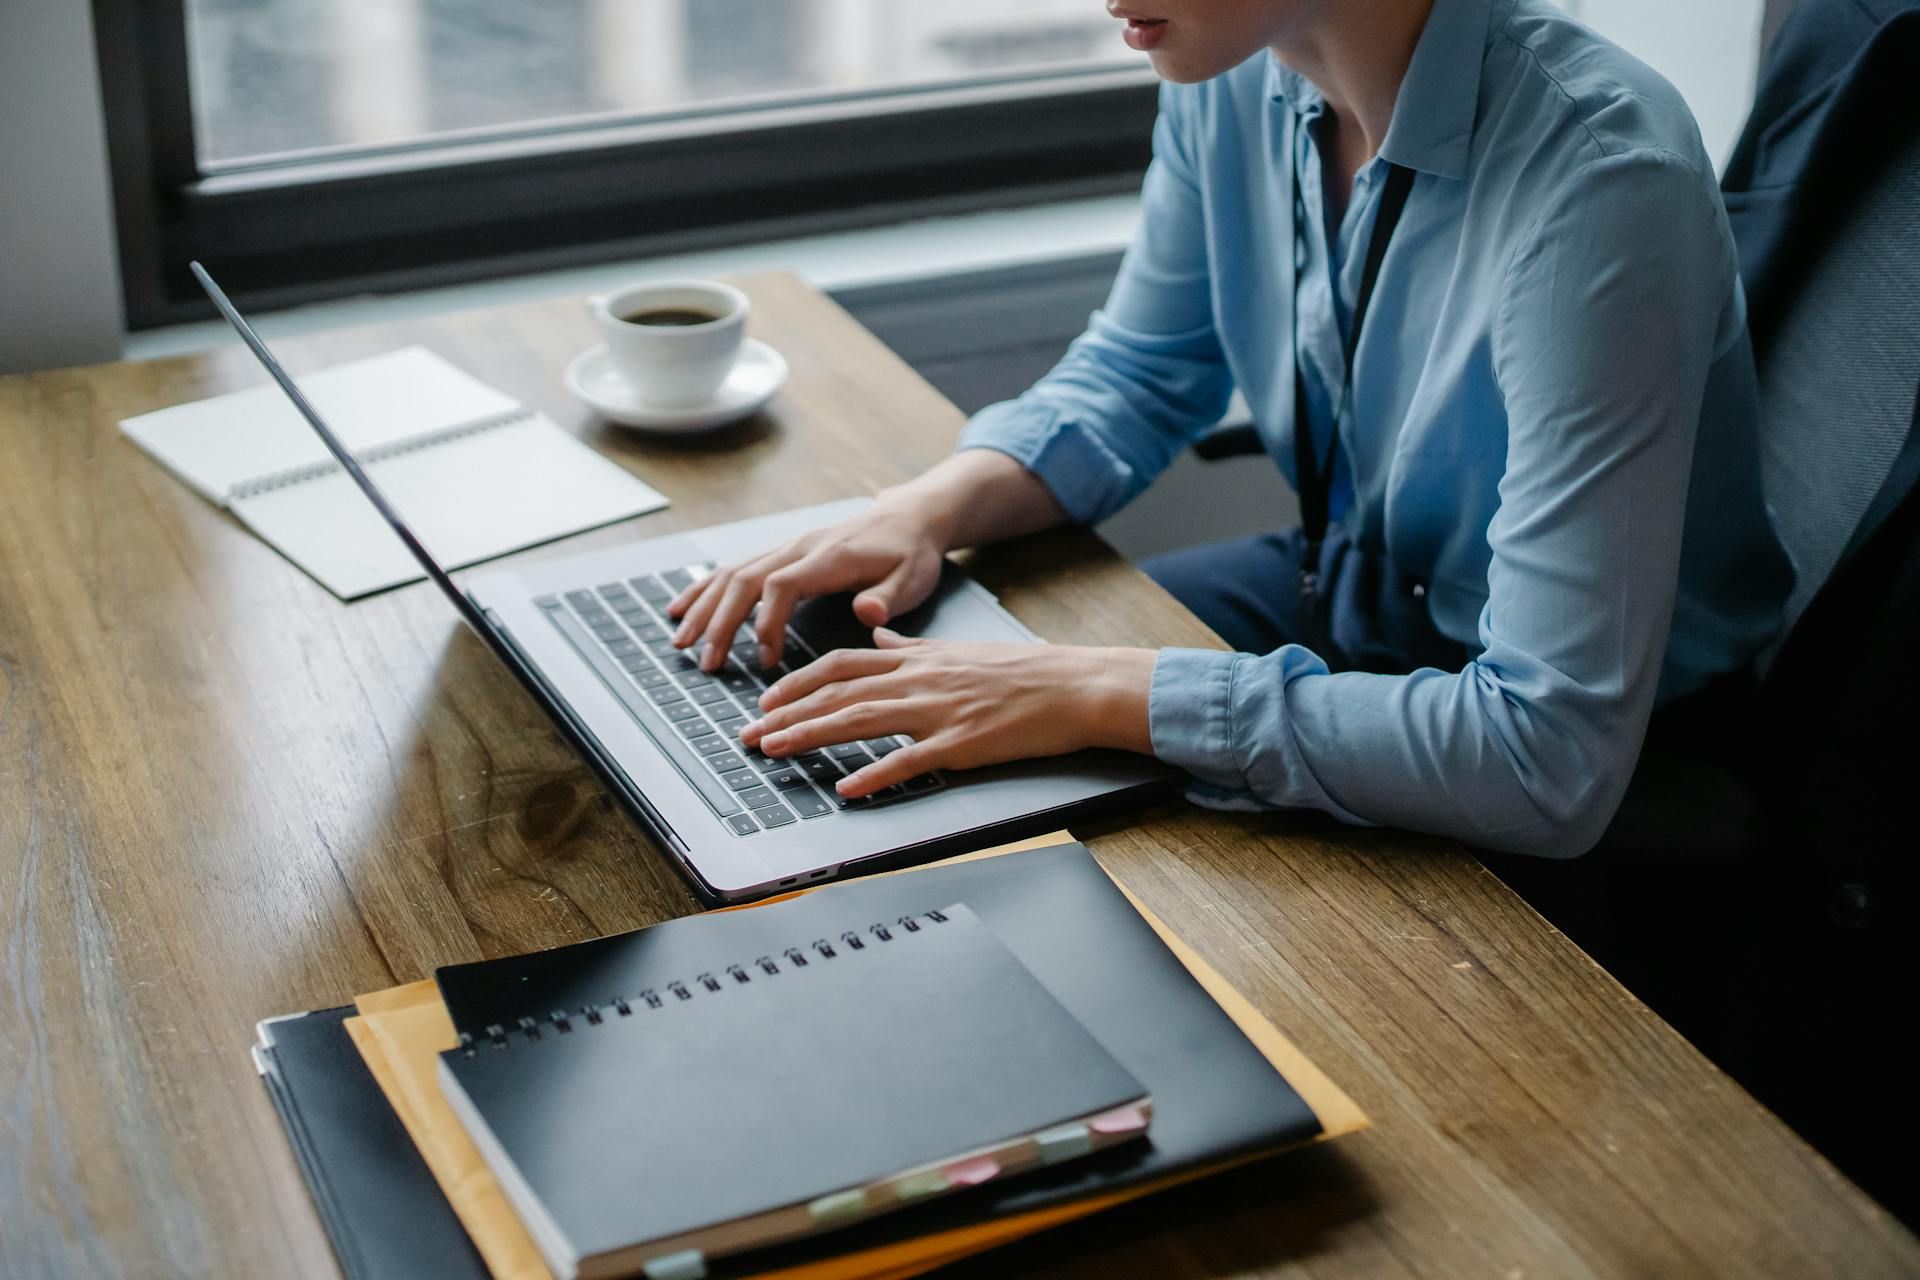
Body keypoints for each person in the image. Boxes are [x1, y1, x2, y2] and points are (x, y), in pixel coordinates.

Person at [667, 0, 1791, 859]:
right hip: (1352, 598)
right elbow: (1146, 369)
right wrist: (926, 507)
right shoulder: (1236, 66)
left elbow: (1548, 756)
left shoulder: (1601, 179)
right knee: (840, 747)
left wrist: (1095, 691)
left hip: (1589, 750)